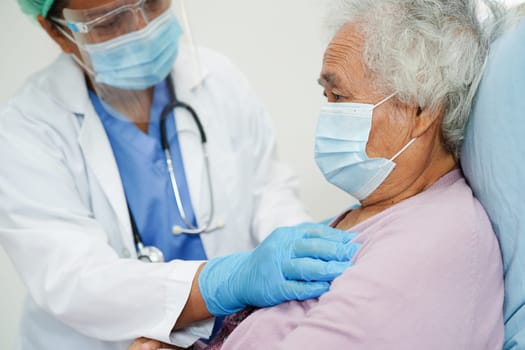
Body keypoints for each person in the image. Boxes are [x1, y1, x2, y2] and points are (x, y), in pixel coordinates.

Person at [130, 0, 506, 349]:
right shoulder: (377, 213)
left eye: (339, 98)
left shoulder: (435, 242)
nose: (327, 115)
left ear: (421, 110)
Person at [0, 0, 362, 349]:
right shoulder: (27, 129)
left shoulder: (217, 79)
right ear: (56, 30)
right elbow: (75, 280)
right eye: (109, 21)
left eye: (153, 2)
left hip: (231, 337)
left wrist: (294, 246)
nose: (141, 27)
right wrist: (224, 282)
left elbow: (267, 190)